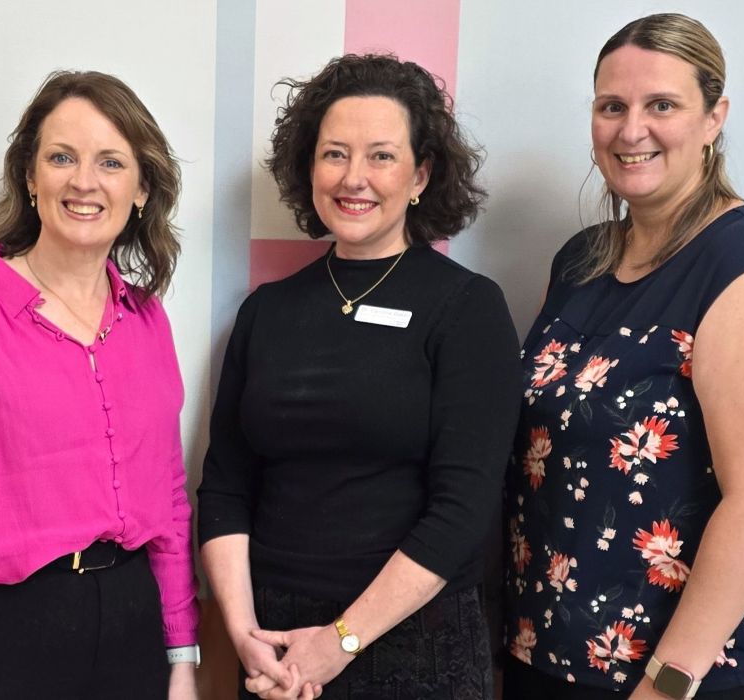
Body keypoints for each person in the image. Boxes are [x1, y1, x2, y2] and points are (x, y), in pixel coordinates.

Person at [502, 13, 744, 700]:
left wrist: (667, 682)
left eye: (662, 106)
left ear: (714, 118)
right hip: (550, 659)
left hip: (686, 677)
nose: (631, 129)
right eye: (611, 106)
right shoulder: (581, 260)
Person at [197, 54, 522, 700]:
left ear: (422, 174)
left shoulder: (467, 309)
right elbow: (226, 487)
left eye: (381, 156)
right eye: (335, 154)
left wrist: (340, 641)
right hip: (277, 650)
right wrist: (244, 635)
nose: (354, 178)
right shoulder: (266, 311)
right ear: (308, 168)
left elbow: (463, 511)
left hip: (415, 641)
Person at [0, 70, 200, 700]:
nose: (84, 181)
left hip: (132, 630)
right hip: (0, 640)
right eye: (61, 157)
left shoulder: (146, 320)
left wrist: (181, 655)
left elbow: (171, 502)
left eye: (111, 162)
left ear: (141, 189)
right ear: (29, 176)